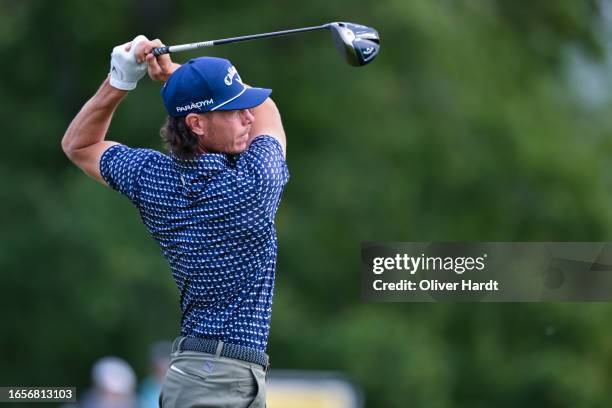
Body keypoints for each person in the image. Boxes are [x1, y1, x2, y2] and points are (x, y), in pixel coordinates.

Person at [62, 35, 289, 407]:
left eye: (243, 109)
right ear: (197, 123)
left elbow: (79, 145)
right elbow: (269, 112)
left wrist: (120, 80)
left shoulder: (153, 177)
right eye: (234, 111)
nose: (248, 116)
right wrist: (174, 74)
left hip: (207, 374)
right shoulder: (253, 182)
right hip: (218, 380)